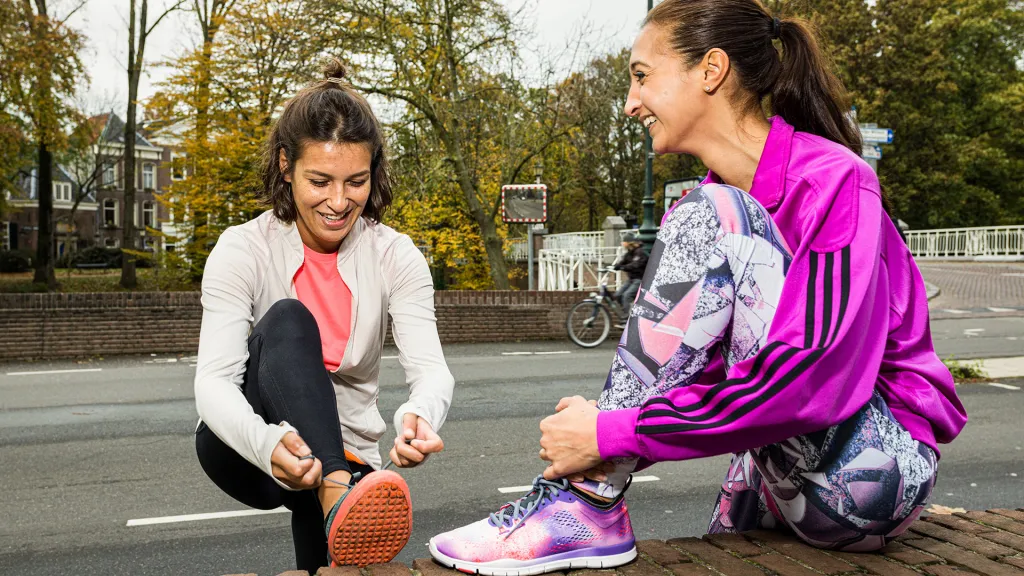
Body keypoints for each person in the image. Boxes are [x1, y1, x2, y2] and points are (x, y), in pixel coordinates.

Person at [428, 1, 967, 573]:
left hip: (879, 474)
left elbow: (814, 378)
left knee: (708, 213)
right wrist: (604, 427)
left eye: (641, 76)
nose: (631, 102)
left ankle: (587, 503)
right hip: (778, 471)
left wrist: (612, 433)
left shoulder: (834, 182)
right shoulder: (723, 220)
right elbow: (703, 370)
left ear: (710, 70)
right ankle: (588, 497)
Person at [193, 61, 455, 573]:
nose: (339, 202)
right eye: (320, 180)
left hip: (347, 453)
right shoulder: (242, 249)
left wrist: (420, 414)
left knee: (328, 565)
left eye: (356, 181)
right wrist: (266, 442)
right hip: (247, 445)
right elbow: (213, 382)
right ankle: (338, 495)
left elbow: (432, 369)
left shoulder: (396, 256)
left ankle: (336, 499)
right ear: (286, 166)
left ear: (373, 173)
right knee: (290, 318)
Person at [611, 232, 648, 319]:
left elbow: (636, 265)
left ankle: (627, 319)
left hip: (640, 279)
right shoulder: (629, 253)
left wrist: (623, 267)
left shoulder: (640, 252)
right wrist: (615, 266)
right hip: (631, 279)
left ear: (629, 242)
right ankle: (626, 311)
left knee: (627, 296)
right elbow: (622, 262)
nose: (622, 243)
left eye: (624, 241)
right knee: (618, 295)